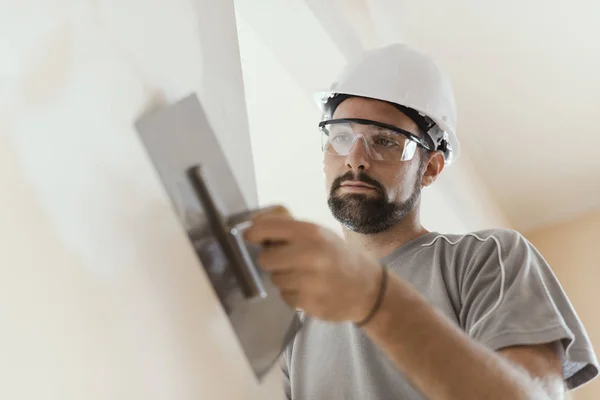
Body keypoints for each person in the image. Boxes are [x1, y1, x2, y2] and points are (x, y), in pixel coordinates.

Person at [243, 43, 599, 399]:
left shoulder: (489, 258)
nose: (355, 159)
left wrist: (372, 296)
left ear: (429, 168)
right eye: (340, 137)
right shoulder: (296, 328)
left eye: (383, 140)